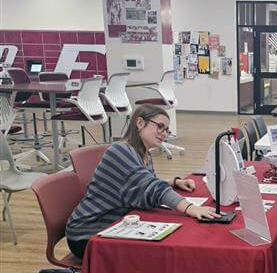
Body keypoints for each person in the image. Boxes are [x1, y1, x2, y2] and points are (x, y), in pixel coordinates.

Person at [65, 105, 218, 259]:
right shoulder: (120, 151)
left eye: (166, 130)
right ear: (139, 123)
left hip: (113, 225)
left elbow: (142, 182)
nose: (164, 134)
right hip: (87, 235)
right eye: (160, 127)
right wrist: (191, 208)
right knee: (156, 255)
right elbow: (152, 188)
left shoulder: (142, 153)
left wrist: (173, 182)